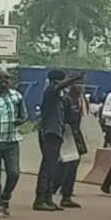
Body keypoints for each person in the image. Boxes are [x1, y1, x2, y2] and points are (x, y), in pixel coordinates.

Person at [34, 69, 84, 211]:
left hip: (57, 134)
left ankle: (48, 199)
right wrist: (74, 78)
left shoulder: (60, 98)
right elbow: (58, 87)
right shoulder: (50, 91)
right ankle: (40, 199)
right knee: (47, 167)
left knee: (52, 168)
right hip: (50, 133)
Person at [0, 70, 27, 217]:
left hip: (12, 140)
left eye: (6, 78)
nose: (4, 81)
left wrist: (21, 120)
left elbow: (24, 115)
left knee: (14, 173)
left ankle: (5, 196)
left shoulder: (17, 96)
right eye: (0, 79)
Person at [53, 82, 88, 209]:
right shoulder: (66, 100)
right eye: (77, 84)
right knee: (66, 164)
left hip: (76, 134)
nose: (80, 87)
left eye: (82, 84)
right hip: (66, 134)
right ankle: (53, 189)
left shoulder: (81, 100)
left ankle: (66, 195)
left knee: (74, 163)